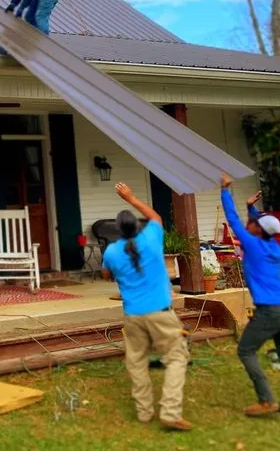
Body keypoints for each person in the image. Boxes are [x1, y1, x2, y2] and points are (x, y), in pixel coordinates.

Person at [220, 173, 280, 420]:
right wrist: (251, 207)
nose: (250, 222)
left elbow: (232, 220)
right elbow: (258, 224)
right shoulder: (273, 246)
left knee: (245, 351)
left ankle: (266, 401)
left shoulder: (252, 244)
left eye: (254, 221)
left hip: (270, 311)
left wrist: (225, 190)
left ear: (258, 230)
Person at [101, 182, 192, 432]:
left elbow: (106, 275)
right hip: (161, 314)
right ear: (138, 226)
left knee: (137, 362)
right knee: (176, 358)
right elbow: (156, 217)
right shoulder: (152, 238)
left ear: (117, 230)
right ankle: (170, 413)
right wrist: (130, 197)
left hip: (133, 316)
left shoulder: (111, 251)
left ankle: (144, 413)